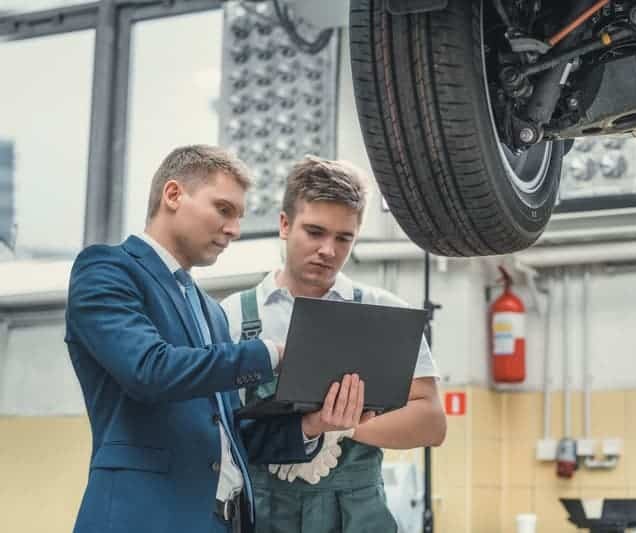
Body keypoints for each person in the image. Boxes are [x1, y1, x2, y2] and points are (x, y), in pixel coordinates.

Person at [65, 145, 370, 533]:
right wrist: (274, 353)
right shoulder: (107, 269)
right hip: (143, 518)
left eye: (239, 217)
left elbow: (230, 435)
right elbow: (149, 369)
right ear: (173, 194)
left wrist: (313, 424)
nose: (234, 230)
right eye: (224, 209)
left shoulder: (210, 310)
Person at [221, 156, 447, 533]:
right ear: (284, 224)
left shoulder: (385, 313)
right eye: (315, 232)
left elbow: (432, 423)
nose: (328, 250)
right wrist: (299, 432)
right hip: (264, 514)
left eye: (343, 238)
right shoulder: (230, 317)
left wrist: (340, 428)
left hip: (358, 516)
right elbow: (217, 429)